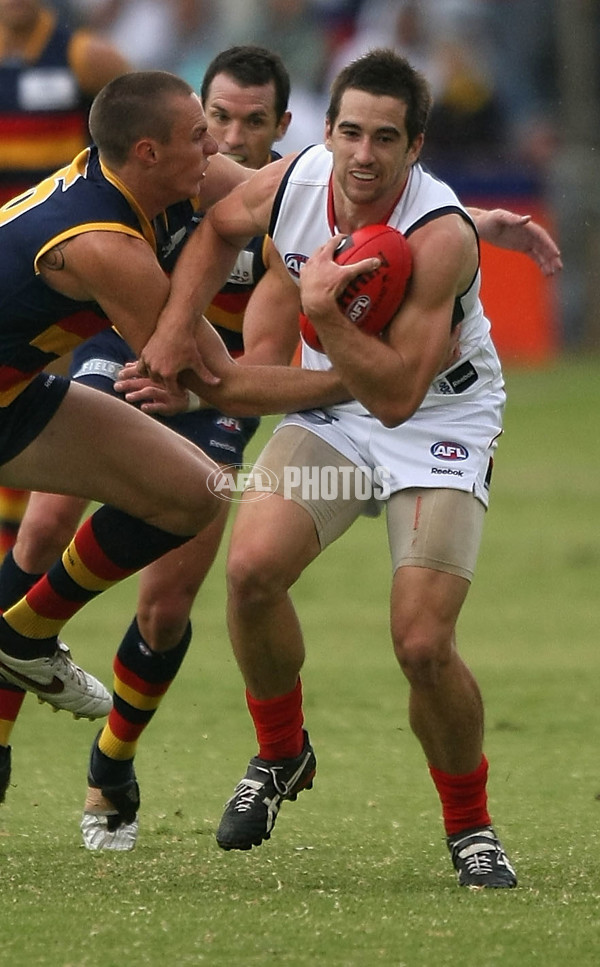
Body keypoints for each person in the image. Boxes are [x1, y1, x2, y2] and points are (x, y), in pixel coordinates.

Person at [138, 49, 562, 888]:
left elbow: (400, 395)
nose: (364, 155)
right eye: (352, 133)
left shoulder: (440, 237)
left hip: (439, 419)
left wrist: (324, 310)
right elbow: (221, 228)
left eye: (387, 138)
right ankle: (280, 753)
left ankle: (470, 825)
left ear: (416, 148)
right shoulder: (296, 181)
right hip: (337, 414)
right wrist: (176, 330)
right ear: (327, 132)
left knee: (422, 642)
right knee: (253, 569)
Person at [0, 68, 361, 808]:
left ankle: (20, 636)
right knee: (45, 529)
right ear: (147, 153)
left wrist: (459, 220)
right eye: (202, 132)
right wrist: (369, 384)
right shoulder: (105, 245)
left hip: (17, 398)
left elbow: (298, 181)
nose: (222, 145)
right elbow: (223, 381)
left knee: (196, 492)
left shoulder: (162, 178)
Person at [0, 0, 131, 556]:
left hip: (58, 264)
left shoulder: (85, 57)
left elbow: (149, 124)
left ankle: (20, 549)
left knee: (31, 400)